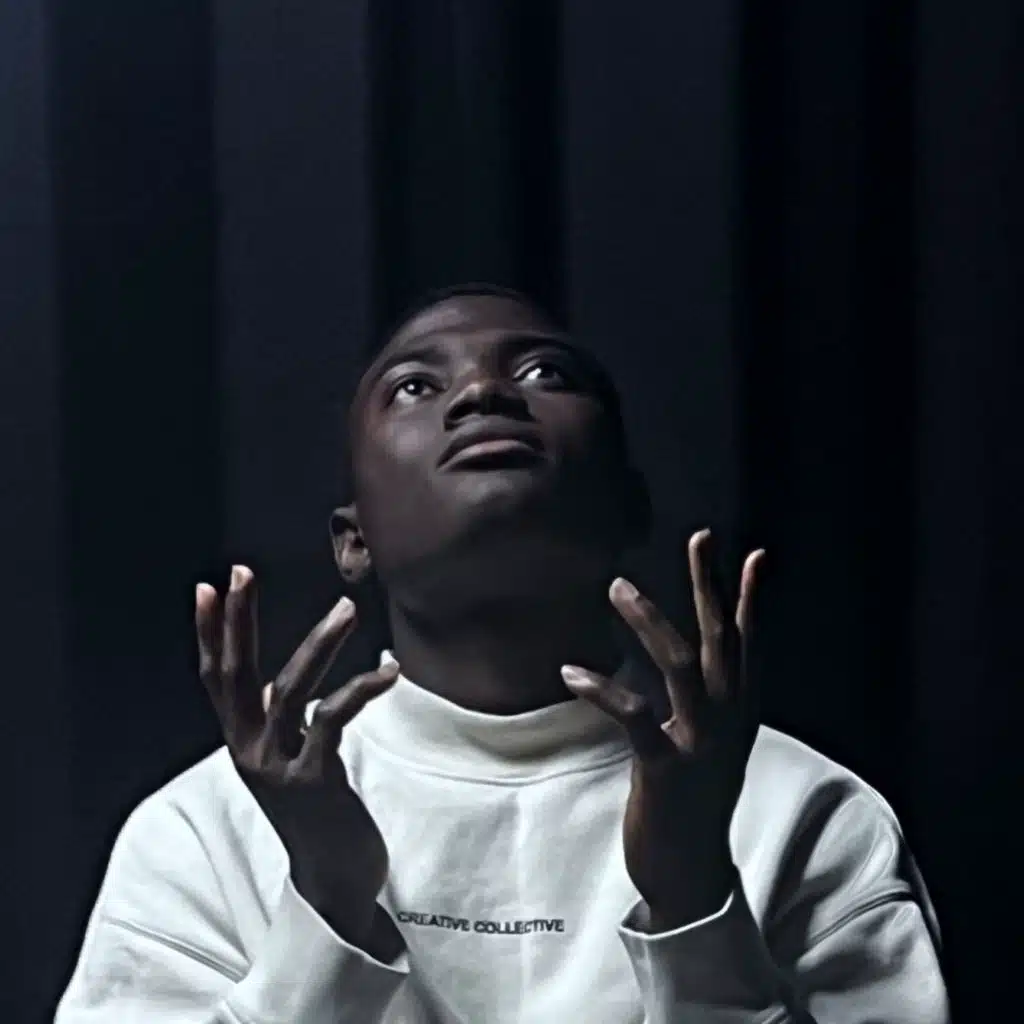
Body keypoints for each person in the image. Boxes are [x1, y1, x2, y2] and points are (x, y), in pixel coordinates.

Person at [55, 285, 949, 1023]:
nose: (484, 393)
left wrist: (696, 899)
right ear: (353, 541)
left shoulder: (802, 809)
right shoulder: (206, 828)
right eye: (415, 386)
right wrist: (326, 903)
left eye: (544, 373)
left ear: (629, 505)